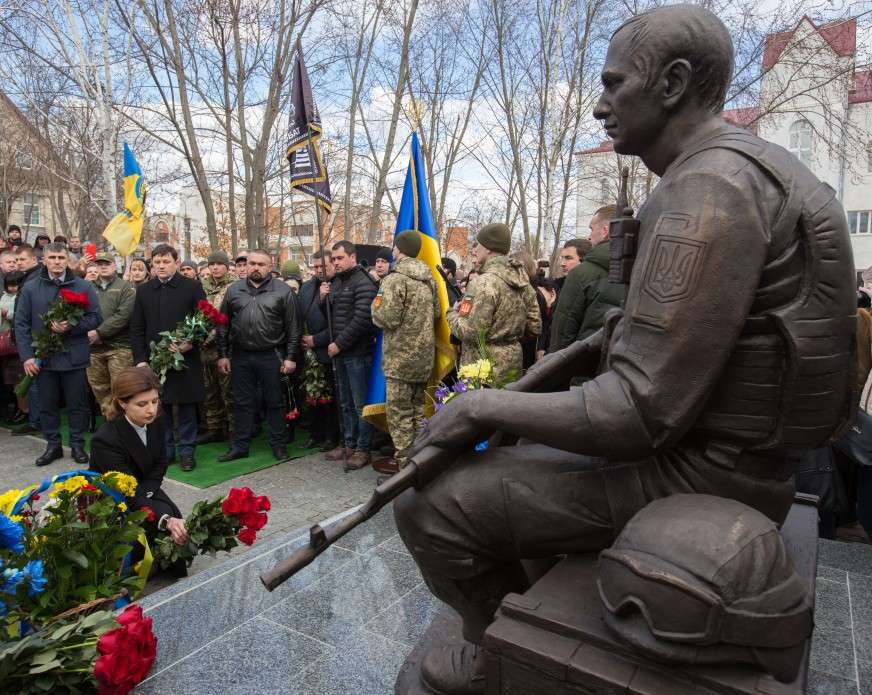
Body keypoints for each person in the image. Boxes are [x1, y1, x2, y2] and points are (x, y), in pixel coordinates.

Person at [394, 6, 856, 691]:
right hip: (721, 453)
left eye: (615, 84)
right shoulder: (738, 170)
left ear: (671, 83)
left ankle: (491, 653)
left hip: (700, 473)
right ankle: (528, 606)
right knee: (507, 459)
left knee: (429, 504)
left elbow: (638, 409)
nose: (600, 105)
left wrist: (484, 408)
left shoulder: (708, 189)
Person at [89, 366, 189, 575]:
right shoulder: (105, 439)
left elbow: (161, 462)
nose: (151, 409)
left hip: (145, 487)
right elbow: (126, 492)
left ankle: (159, 558)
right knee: (166, 518)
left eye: (155, 401)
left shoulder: (156, 420)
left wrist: (151, 493)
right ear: (122, 403)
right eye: (142, 404)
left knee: (170, 517)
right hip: (114, 500)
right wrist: (164, 518)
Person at [14, 243, 101, 467]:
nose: (57, 261)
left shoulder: (83, 287)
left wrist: (71, 326)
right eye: (52, 257)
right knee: (47, 404)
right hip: (44, 357)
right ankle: (52, 445)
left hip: (74, 356)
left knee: (77, 404)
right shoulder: (31, 288)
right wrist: (27, 357)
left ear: (67, 260)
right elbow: (21, 324)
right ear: (44, 259)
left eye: (61, 257)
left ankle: (78, 444)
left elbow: (95, 318)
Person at [217, 250, 301, 461]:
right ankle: (240, 446)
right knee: (242, 402)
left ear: (270, 267)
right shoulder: (234, 290)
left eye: (261, 264)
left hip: (272, 354)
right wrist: (223, 354)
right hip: (241, 355)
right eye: (252, 263)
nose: (255, 267)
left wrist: (290, 357)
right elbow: (222, 325)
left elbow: (294, 328)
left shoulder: (283, 291)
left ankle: (278, 444)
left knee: (275, 401)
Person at [130, 243, 207, 472]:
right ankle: (165, 451)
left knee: (186, 408)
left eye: (166, 262)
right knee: (157, 408)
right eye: (157, 262)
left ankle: (187, 453)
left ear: (176, 262)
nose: (161, 266)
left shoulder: (192, 287)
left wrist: (190, 343)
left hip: (185, 358)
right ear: (152, 265)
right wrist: (141, 360)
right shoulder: (144, 291)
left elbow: (203, 321)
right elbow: (136, 328)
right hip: (155, 361)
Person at [371, 231, 438, 473]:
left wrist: (375, 306)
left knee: (399, 417)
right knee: (419, 412)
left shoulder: (394, 279)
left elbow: (385, 317)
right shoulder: (429, 279)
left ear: (398, 250)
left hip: (399, 360)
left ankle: (405, 470)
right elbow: (438, 313)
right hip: (423, 358)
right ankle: (422, 462)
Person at [448, 223, 541, 380]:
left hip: (481, 368)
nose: (474, 250)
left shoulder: (482, 283)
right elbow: (534, 327)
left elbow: (470, 331)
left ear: (489, 248)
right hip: (511, 366)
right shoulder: (523, 282)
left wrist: (451, 313)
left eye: (478, 245)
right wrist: (506, 337)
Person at [320, 241, 377, 468]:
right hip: (341, 354)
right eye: (333, 259)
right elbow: (330, 318)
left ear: (352, 257)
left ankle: (363, 449)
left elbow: (363, 319)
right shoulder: (336, 283)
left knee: (359, 404)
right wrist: (322, 299)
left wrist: (340, 344)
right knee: (344, 402)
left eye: (339, 258)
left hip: (357, 353)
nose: (335, 263)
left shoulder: (364, 282)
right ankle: (348, 443)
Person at [549, 206, 625, 354]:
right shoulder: (644, 269)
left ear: (605, 231)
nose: (589, 237)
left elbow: (563, 331)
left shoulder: (581, 274)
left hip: (583, 365)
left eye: (591, 229)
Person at [86, 252, 136, 417]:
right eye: (99, 264)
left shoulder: (126, 287)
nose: (103, 266)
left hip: (119, 348)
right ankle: (112, 421)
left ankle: (124, 424)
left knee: (121, 388)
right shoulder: (88, 287)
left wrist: (99, 332)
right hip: (94, 349)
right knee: (99, 388)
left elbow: (123, 315)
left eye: (107, 263)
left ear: (115, 266)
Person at [300, 249, 340, 451]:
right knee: (312, 397)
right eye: (315, 267)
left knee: (329, 398)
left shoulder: (337, 286)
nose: (318, 271)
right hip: (308, 352)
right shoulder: (306, 288)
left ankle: (331, 436)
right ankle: (314, 434)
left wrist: (317, 339)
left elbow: (338, 323)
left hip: (328, 349)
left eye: (322, 266)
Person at [198, 250, 236, 445]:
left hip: (225, 348)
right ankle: (214, 428)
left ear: (226, 266)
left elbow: (231, 317)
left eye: (219, 264)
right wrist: (198, 334)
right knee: (209, 391)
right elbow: (197, 313)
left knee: (228, 391)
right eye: (212, 264)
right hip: (204, 350)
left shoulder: (234, 287)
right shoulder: (201, 287)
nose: (215, 267)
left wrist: (213, 335)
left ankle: (233, 430)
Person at [9, 244, 43, 436]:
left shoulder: (36, 278)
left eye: (21, 259)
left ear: (33, 259)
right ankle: (36, 420)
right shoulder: (27, 278)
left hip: (35, 339)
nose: (18, 263)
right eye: (16, 260)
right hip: (28, 338)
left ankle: (37, 422)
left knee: (35, 383)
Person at [0, 271, 25, 423]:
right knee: (9, 379)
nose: (13, 288)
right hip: (5, 341)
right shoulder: (4, 297)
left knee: (19, 379)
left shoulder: (22, 297)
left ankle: (24, 410)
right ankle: (16, 407)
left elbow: (18, 315)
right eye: (10, 285)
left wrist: (6, 315)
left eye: (15, 285)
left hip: (16, 342)